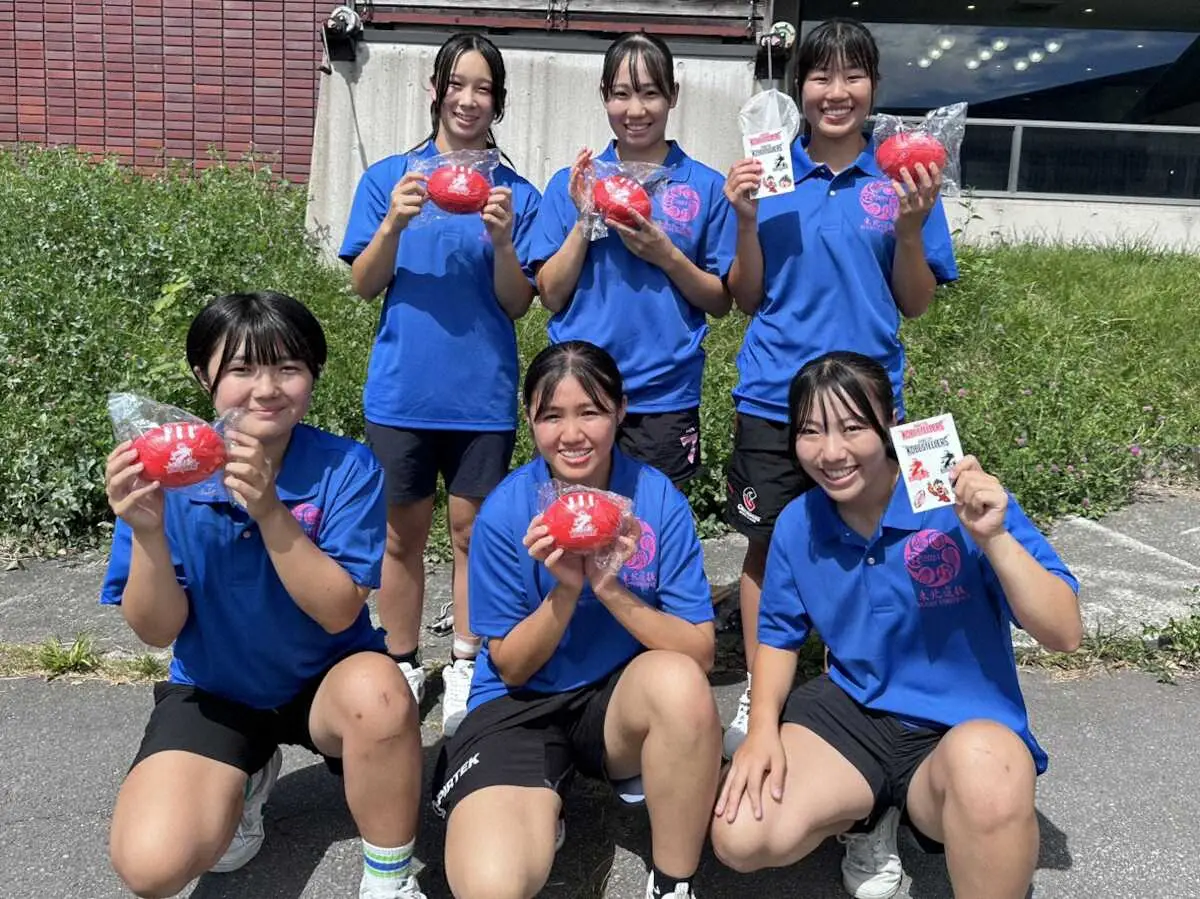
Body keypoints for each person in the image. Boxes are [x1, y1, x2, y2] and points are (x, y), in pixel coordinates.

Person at [719, 18, 960, 890]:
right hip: (773, 398)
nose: (834, 93)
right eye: (819, 77)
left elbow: (919, 304)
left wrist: (909, 227)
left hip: (863, 410)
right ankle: (767, 692)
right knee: (768, 548)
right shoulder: (769, 168)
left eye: (853, 78)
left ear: (873, 88)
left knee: (872, 560)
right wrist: (744, 218)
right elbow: (744, 297)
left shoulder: (901, 176)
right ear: (800, 86)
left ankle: (860, 700)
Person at [709, 351, 1082, 899]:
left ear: (890, 423)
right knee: (740, 834)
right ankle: (866, 816)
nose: (830, 452)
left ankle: (924, 817)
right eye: (810, 431)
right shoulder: (798, 521)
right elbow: (778, 637)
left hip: (960, 730)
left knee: (990, 771)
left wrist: (994, 538)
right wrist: (762, 729)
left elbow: (1064, 633)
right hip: (854, 713)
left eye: (852, 427)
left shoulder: (957, 500)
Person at [101, 291, 427, 899]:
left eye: (288, 367)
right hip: (217, 690)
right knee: (150, 867)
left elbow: (338, 611)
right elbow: (156, 628)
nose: (267, 388)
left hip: (327, 685)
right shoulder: (166, 475)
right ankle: (246, 773)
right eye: (242, 370)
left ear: (313, 376)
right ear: (205, 378)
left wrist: (271, 509)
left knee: (384, 694)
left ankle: (389, 878)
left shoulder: (346, 467)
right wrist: (146, 531)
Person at [432, 341, 722, 899]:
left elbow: (700, 652)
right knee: (489, 886)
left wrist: (610, 589)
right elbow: (512, 668)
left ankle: (673, 882)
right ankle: (540, 802)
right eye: (551, 416)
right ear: (529, 421)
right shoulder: (506, 513)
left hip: (617, 701)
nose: (572, 434)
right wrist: (565, 592)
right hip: (520, 708)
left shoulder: (655, 499)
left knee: (681, 685)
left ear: (620, 409)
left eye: (590, 411)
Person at [339, 32, 542, 735]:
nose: (468, 99)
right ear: (435, 90)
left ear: (499, 102)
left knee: (472, 534)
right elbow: (364, 285)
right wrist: (394, 222)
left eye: (483, 88)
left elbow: (519, 303)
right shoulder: (391, 180)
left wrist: (506, 241)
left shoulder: (515, 192)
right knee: (401, 536)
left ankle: (465, 661)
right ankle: (400, 660)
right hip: (402, 391)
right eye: (457, 83)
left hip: (482, 394)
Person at [530, 32, 733, 487]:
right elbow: (551, 293)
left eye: (650, 93)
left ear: (673, 96)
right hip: (579, 392)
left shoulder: (705, 186)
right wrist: (585, 220)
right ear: (604, 96)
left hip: (665, 397)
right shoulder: (574, 182)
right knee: (576, 533)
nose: (635, 110)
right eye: (621, 94)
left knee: (652, 536)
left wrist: (666, 255)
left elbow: (721, 300)